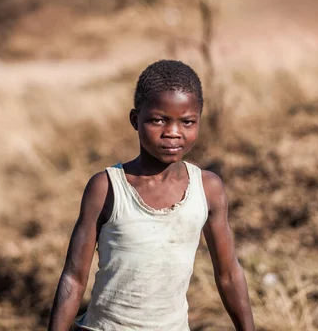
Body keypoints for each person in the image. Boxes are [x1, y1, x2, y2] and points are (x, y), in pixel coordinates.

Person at [47, 60, 255, 331]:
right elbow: (74, 278)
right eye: (158, 120)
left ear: (199, 122)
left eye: (187, 122)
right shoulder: (107, 188)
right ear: (135, 120)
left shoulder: (208, 189)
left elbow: (228, 275)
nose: (173, 132)